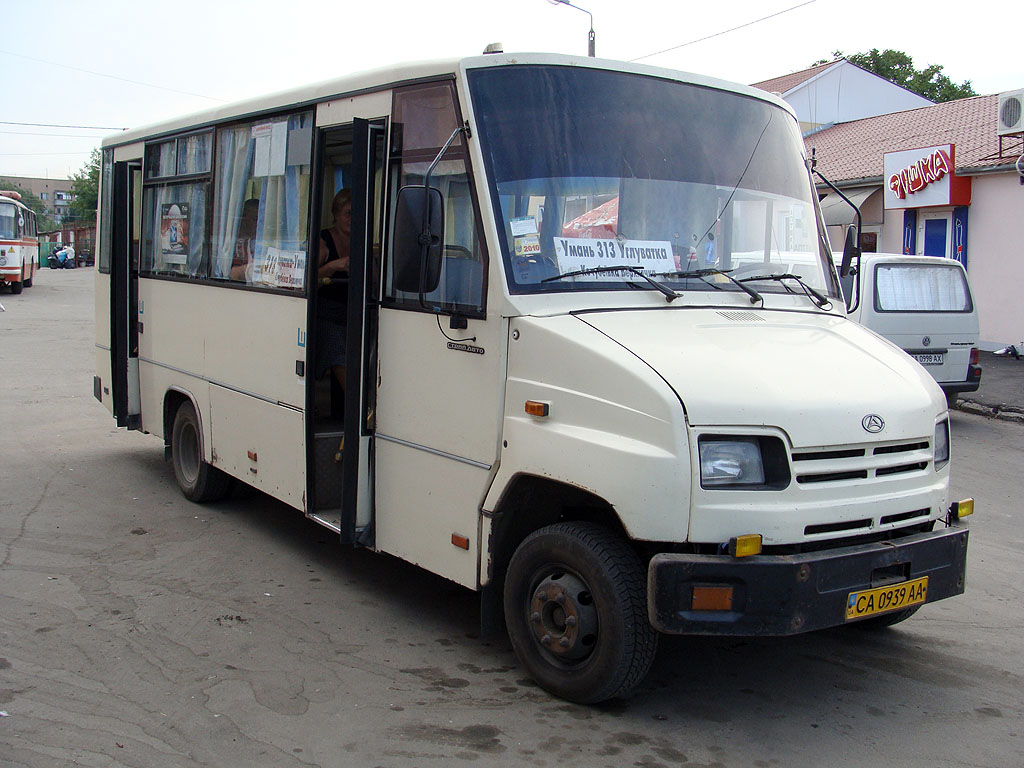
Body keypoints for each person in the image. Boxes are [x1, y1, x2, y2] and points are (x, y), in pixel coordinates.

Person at [316, 189, 351, 420]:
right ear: (336, 215)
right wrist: (334, 266)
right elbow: (310, 281)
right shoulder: (324, 241)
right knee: (340, 352)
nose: (352, 219)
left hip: (354, 311)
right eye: (348, 213)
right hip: (326, 311)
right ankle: (357, 405)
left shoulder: (363, 240)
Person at [229, 198, 261, 282]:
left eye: (261, 220)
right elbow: (233, 274)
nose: (258, 224)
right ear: (243, 219)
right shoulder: (235, 243)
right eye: (254, 219)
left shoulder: (262, 242)